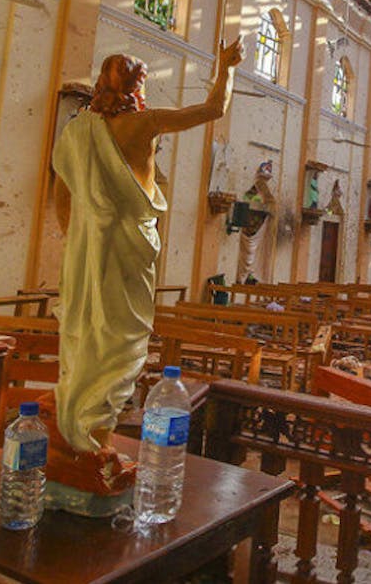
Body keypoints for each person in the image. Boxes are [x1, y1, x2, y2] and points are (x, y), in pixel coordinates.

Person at [48, 39, 243, 496]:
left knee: (87, 329)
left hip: (90, 244)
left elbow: (63, 191)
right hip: (132, 243)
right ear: (137, 86)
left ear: (101, 83)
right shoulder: (146, 122)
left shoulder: (78, 130)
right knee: (123, 336)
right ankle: (93, 440)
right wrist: (226, 67)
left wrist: (79, 237)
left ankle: (81, 431)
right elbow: (214, 109)